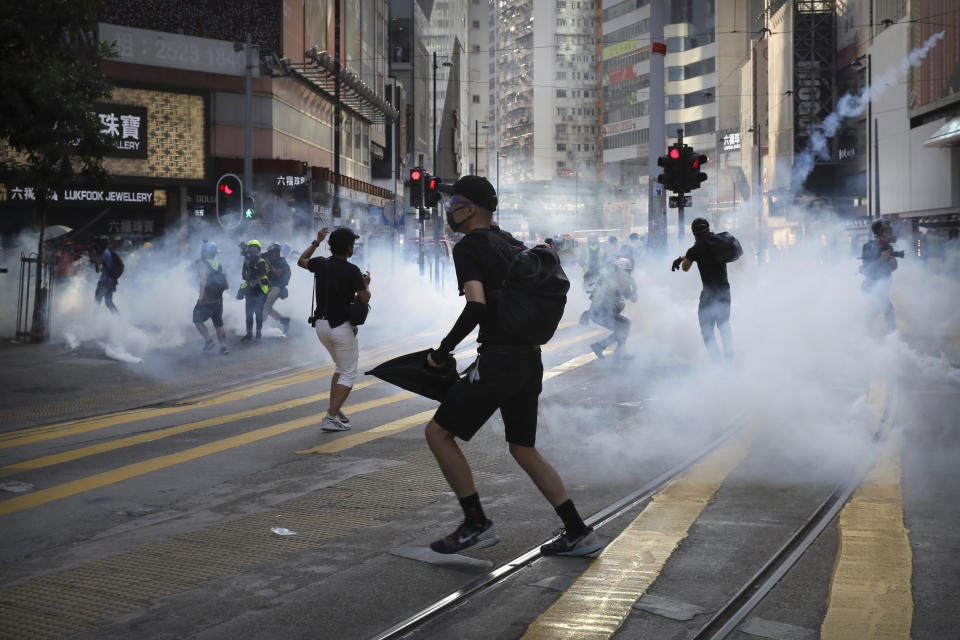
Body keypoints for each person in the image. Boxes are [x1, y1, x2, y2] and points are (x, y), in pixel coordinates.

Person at [424, 175, 601, 557]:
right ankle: (577, 531)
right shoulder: (510, 242)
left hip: (499, 361)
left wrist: (442, 351)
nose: (448, 209)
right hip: (528, 359)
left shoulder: (470, 247)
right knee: (523, 447)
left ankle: (475, 523)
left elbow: (476, 305)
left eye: (453, 202)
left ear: (469, 209)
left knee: (438, 434)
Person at [298, 227, 371, 432]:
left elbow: (301, 260)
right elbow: (364, 298)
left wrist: (316, 241)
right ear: (349, 247)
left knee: (340, 368)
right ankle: (330, 417)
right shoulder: (352, 270)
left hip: (321, 326)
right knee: (348, 373)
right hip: (340, 327)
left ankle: (335, 409)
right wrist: (366, 284)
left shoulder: (320, 264)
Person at [671, 218, 733, 360]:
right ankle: (730, 359)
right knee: (724, 327)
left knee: (707, 329)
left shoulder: (695, 250)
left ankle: (716, 361)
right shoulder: (718, 243)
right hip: (724, 291)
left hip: (709, 295)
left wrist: (684, 258)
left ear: (694, 233)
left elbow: (685, 268)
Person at [588, 257, 637, 360]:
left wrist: (633, 286)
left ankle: (616, 352)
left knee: (623, 327)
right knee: (624, 325)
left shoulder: (611, 277)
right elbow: (632, 297)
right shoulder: (616, 280)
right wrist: (633, 287)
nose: (628, 274)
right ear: (620, 270)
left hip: (599, 312)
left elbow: (632, 298)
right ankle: (604, 347)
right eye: (627, 271)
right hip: (600, 313)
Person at [860, 220, 898, 332]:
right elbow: (867, 269)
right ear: (880, 231)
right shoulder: (868, 246)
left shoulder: (888, 247)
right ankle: (892, 337)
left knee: (875, 312)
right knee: (888, 310)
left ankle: (865, 333)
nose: (890, 232)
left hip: (884, 286)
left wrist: (893, 265)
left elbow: (889, 269)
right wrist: (881, 260)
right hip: (872, 285)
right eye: (887, 230)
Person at [193, 242, 229, 354]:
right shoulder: (220, 266)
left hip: (207, 299)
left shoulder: (202, 264)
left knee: (197, 319)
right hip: (218, 301)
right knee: (219, 324)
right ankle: (223, 347)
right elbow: (227, 286)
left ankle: (209, 340)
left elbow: (203, 280)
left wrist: (201, 297)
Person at [238, 239, 270, 342]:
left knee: (258, 312)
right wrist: (247, 276)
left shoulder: (261, 261)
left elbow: (261, 273)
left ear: (257, 249)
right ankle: (249, 334)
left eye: (253, 248)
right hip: (250, 290)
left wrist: (251, 273)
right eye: (250, 248)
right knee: (248, 313)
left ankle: (258, 333)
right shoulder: (246, 261)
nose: (251, 250)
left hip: (260, 290)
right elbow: (244, 275)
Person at [263, 243, 292, 335]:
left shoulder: (281, 261)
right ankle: (283, 320)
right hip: (270, 286)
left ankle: (260, 327)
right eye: (272, 252)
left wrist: (269, 264)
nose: (273, 254)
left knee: (265, 306)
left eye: (275, 252)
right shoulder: (271, 260)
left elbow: (278, 273)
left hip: (278, 287)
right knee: (265, 306)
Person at [91, 236, 119, 314]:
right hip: (111, 282)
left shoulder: (105, 253)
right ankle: (118, 319)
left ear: (102, 244)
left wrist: (93, 254)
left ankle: (95, 321)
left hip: (104, 282)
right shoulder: (108, 253)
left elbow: (97, 267)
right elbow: (98, 269)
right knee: (108, 302)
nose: (97, 246)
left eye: (98, 244)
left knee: (97, 302)